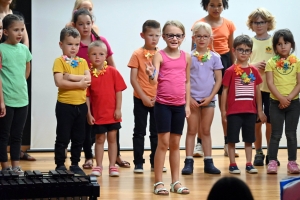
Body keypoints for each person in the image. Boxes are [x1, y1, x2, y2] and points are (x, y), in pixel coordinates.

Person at [72, 8, 130, 168]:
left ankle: (115, 158)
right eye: (81, 24)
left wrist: (109, 77)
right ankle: (90, 158)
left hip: (104, 89)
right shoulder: (74, 44)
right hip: (84, 87)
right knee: (89, 129)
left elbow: (111, 64)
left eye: (88, 23)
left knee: (111, 132)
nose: (85, 27)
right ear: (74, 25)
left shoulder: (100, 40)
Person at [146, 20, 191, 195]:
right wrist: (151, 75)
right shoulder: (159, 55)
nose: (174, 38)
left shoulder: (186, 57)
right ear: (164, 37)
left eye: (177, 35)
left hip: (179, 106)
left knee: (175, 144)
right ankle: (158, 182)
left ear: (183, 37)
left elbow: (187, 82)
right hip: (163, 105)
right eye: (170, 35)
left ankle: (175, 182)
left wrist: (187, 104)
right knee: (163, 143)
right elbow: (154, 78)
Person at [192, 0, 237, 157]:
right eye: (212, 5)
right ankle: (199, 144)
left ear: (224, 5)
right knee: (199, 105)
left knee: (225, 108)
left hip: (223, 62)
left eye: (219, 5)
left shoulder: (229, 24)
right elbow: (193, 48)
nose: (216, 8)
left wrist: (234, 69)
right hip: (203, 61)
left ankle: (227, 143)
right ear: (206, 6)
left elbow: (232, 49)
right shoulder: (199, 23)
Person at [221, 35, 266, 174]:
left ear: (250, 52)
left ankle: (248, 163)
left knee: (249, 139)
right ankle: (232, 164)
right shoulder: (230, 71)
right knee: (232, 138)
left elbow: (257, 90)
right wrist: (223, 111)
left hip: (250, 111)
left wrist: (259, 110)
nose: (243, 53)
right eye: (240, 50)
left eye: (247, 50)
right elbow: (225, 91)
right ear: (234, 51)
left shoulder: (254, 70)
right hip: (234, 112)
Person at [182, 22, 222, 175]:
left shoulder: (215, 57)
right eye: (199, 36)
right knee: (192, 130)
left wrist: (211, 96)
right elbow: (184, 79)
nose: (202, 39)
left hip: (208, 100)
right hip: (191, 100)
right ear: (193, 38)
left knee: (205, 130)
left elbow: (218, 80)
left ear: (210, 38)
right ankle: (188, 161)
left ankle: (209, 162)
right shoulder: (188, 57)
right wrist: (189, 98)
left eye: (205, 36)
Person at [128, 20, 166, 173]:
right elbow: (133, 79)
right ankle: (138, 162)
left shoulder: (162, 54)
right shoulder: (137, 54)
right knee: (139, 131)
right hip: (140, 98)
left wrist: (158, 96)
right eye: (151, 35)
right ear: (142, 35)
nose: (154, 38)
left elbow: (163, 78)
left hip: (158, 99)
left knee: (156, 132)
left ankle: (155, 162)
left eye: (157, 35)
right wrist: (143, 96)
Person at [53, 26, 91, 175]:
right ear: (61, 45)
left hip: (81, 106)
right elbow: (59, 82)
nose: (74, 48)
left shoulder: (82, 62)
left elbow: (89, 79)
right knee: (63, 136)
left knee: (79, 137)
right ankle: (60, 164)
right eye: (70, 44)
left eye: (76, 44)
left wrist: (72, 77)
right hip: (65, 105)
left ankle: (75, 163)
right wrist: (80, 83)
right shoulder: (59, 61)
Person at [87, 41, 127, 177]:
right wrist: (88, 113)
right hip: (98, 114)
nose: (97, 57)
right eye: (94, 54)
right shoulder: (89, 75)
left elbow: (119, 91)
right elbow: (86, 96)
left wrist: (118, 109)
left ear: (106, 56)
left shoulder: (112, 71)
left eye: (101, 54)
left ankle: (112, 165)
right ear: (88, 56)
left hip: (112, 113)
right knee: (99, 139)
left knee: (112, 138)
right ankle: (98, 165)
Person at [246, 8, 279, 167]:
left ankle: (271, 153)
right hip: (254, 89)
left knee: (271, 123)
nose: (259, 25)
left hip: (272, 89)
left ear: (268, 23)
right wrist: (253, 65)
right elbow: (241, 64)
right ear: (251, 25)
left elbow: (281, 62)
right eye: (255, 22)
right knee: (257, 123)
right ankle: (258, 152)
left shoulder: (274, 42)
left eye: (262, 22)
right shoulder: (248, 42)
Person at [0, 14, 32, 174]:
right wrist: (2, 100)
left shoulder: (24, 49)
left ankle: (15, 165)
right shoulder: (1, 49)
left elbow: (27, 70)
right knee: (4, 134)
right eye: (15, 30)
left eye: (22, 29)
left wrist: (19, 84)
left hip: (22, 99)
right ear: (6, 32)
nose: (19, 33)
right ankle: (4, 167)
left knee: (17, 135)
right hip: (6, 100)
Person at [265, 29, 300, 174]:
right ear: (275, 47)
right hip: (275, 103)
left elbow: (299, 83)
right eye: (279, 44)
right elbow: (270, 83)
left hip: (293, 103)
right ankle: (272, 161)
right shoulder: (271, 62)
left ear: (291, 44)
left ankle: (292, 162)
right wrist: (280, 98)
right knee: (275, 134)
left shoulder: (297, 62)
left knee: (291, 133)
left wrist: (289, 98)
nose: (283, 46)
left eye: (286, 43)